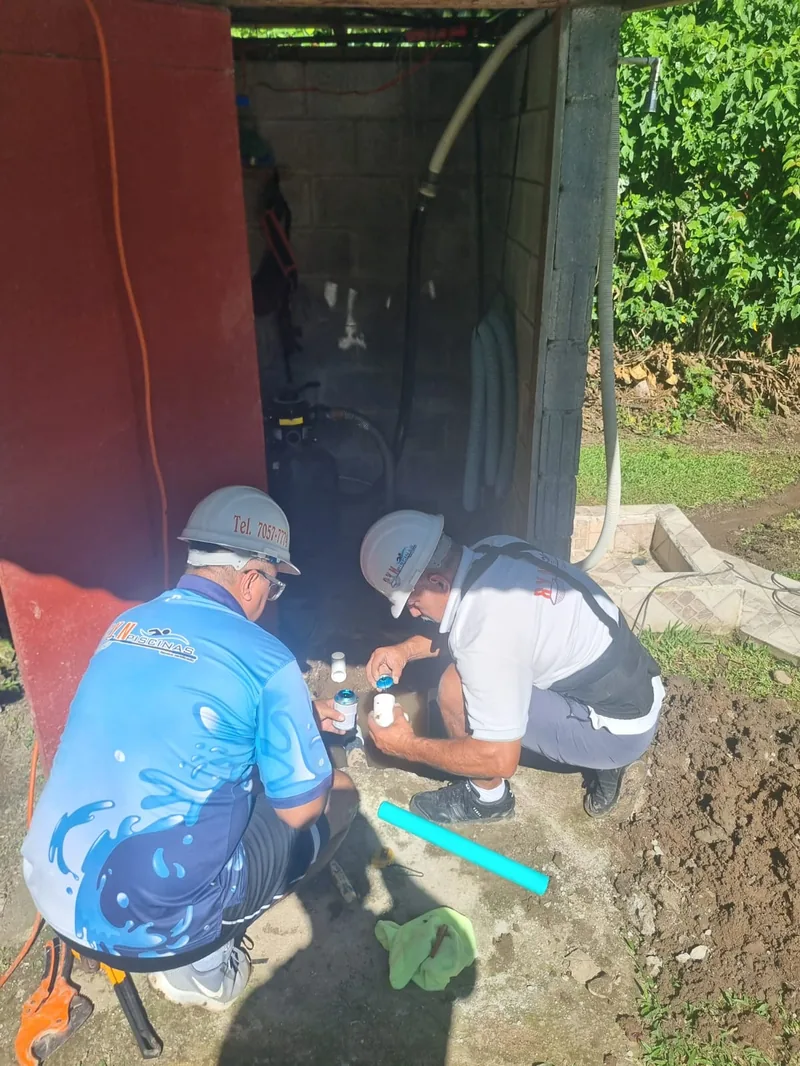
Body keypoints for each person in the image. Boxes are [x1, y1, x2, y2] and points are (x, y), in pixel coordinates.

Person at [22, 486, 357, 1011]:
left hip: (53, 889)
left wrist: (287, 714)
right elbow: (302, 809)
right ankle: (203, 965)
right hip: (158, 928)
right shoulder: (267, 658)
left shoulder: (126, 625)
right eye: (272, 586)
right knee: (338, 796)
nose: (270, 598)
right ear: (252, 578)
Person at [359, 510, 663, 825]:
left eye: (411, 599)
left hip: (618, 732)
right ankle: (600, 750)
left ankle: (487, 799)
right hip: (637, 687)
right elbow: (475, 625)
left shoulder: (487, 635)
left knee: (454, 687)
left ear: (437, 581)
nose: (411, 611)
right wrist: (406, 650)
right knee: (472, 663)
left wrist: (404, 745)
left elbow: (499, 758)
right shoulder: (494, 550)